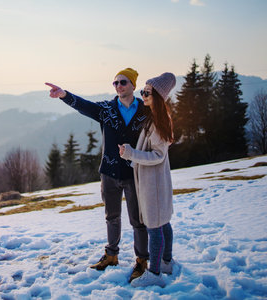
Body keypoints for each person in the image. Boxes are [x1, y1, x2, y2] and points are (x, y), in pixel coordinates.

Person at [45, 68, 149, 282]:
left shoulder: (145, 111)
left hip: (134, 173)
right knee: (111, 217)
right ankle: (111, 255)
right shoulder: (107, 109)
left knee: (137, 219)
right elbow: (85, 106)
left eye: (123, 82)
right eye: (115, 83)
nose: (118, 86)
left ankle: (142, 260)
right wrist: (64, 94)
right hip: (109, 172)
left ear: (133, 86)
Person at [118, 72, 176, 288]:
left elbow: (158, 156)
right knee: (164, 222)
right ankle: (167, 263)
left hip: (154, 185)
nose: (143, 95)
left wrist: (131, 153)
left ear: (158, 96)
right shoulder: (154, 117)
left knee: (154, 227)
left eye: (147, 92)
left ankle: (155, 272)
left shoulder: (160, 123)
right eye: (142, 91)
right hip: (153, 182)